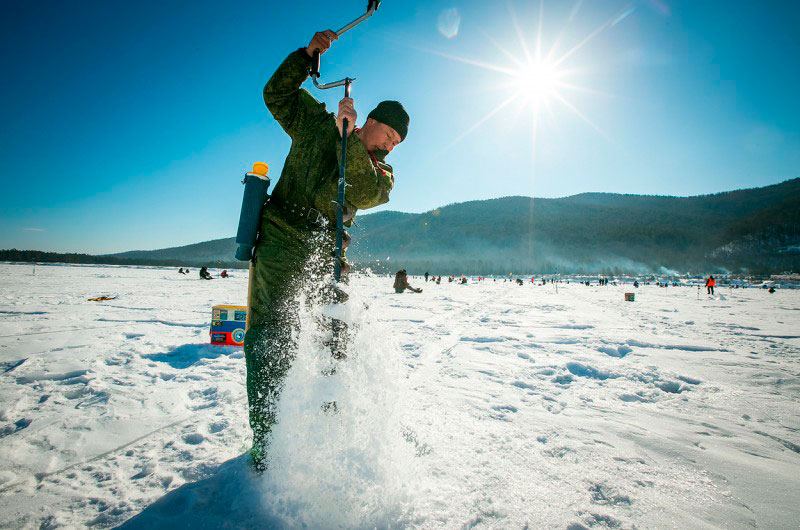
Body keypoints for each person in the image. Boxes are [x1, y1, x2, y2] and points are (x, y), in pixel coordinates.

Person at [244, 30, 409, 471]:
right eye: (388, 134)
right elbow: (276, 95)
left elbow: (361, 189)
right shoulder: (316, 124)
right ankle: (266, 444)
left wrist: (349, 139)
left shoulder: (381, 174)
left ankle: (327, 431)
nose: (389, 145)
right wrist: (307, 56)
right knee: (270, 338)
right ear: (372, 119)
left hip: (326, 255)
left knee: (335, 339)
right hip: (281, 239)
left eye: (396, 143)